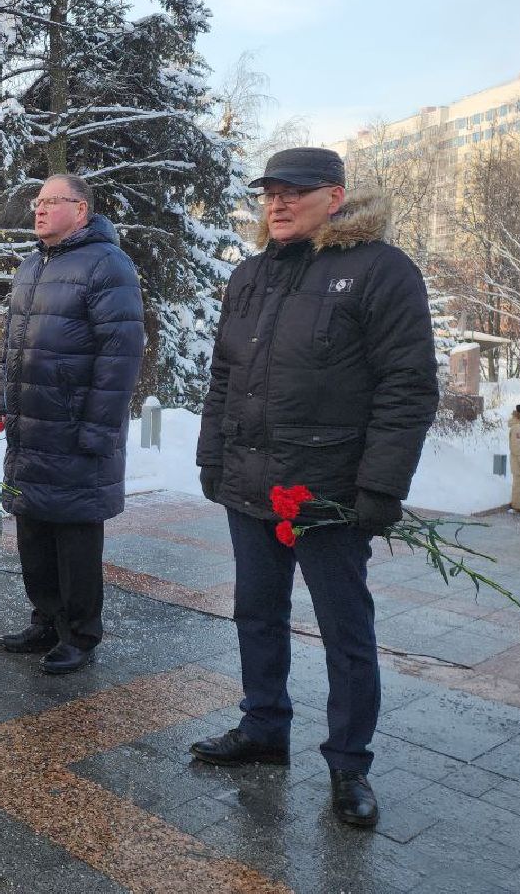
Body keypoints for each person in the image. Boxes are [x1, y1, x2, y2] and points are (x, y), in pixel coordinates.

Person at [192, 147, 439, 828]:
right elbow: (224, 376)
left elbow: (407, 386)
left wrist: (381, 486)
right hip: (251, 487)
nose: (277, 203)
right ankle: (263, 728)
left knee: (345, 632)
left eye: (293, 192)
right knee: (256, 614)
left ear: (334, 197)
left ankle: (349, 764)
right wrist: (211, 455)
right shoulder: (249, 275)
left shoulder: (380, 271)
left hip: (328, 495)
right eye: (270, 192)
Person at [0, 175, 145, 674]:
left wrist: (99, 430)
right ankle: (45, 618)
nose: (38, 210)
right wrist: (5, 402)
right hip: (31, 426)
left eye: (51, 202)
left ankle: (80, 632)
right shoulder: (32, 264)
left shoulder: (107, 264)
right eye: (36, 202)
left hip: (76, 428)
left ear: (80, 210)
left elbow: (120, 356)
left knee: (75, 535)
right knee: (33, 531)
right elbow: (12, 345)